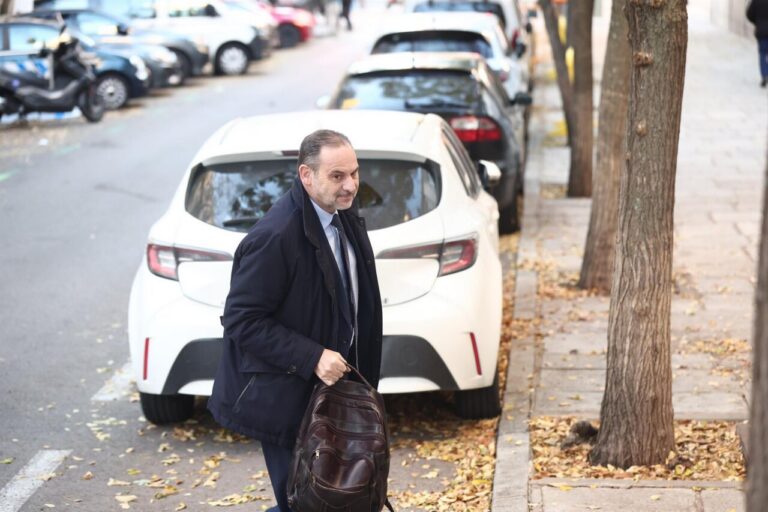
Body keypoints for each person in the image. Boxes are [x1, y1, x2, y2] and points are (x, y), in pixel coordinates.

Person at [207, 129, 383, 512]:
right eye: (337, 176)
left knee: (336, 499)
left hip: (336, 393)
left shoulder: (344, 217)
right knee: (305, 503)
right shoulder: (274, 236)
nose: (351, 185)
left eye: (354, 173)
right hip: (286, 398)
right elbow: (242, 320)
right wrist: (313, 356)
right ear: (306, 175)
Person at [747, 0, 768, 87]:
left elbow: (749, 14)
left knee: (762, 54)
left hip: (761, 31)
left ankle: (764, 75)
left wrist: (757, 22)